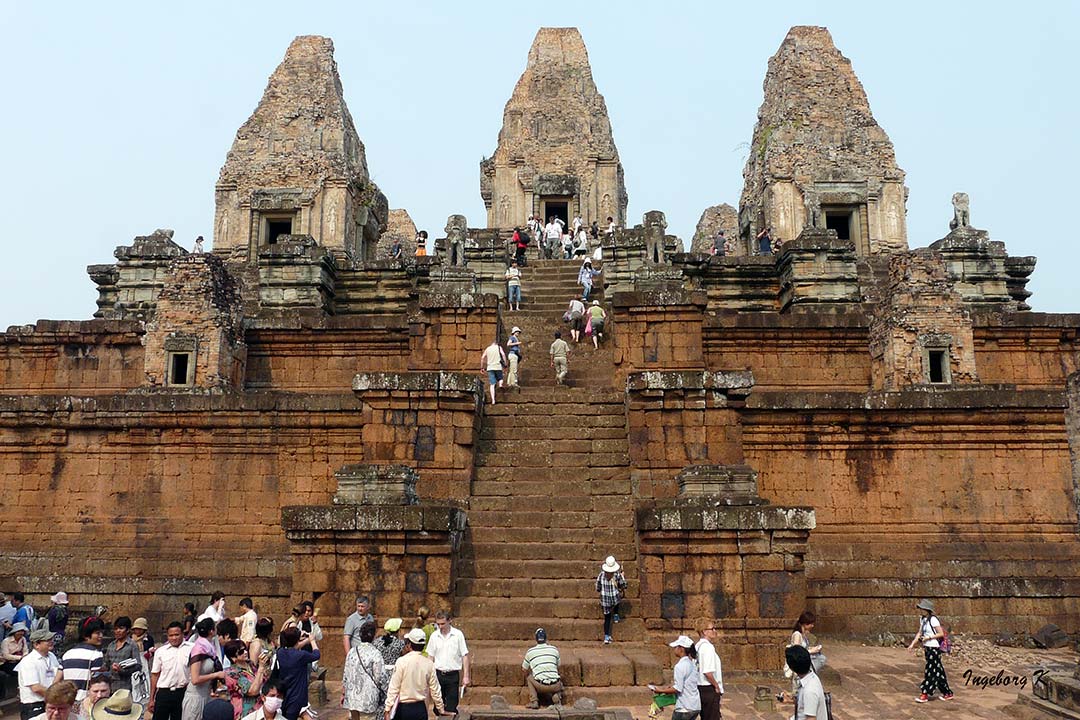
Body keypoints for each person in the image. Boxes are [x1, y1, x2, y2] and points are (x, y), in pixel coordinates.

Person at [383, 628, 445, 720]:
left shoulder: (401, 661)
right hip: (420, 708)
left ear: (409, 644)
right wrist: (440, 708)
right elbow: (435, 689)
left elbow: (394, 687)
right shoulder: (429, 664)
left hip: (403, 709)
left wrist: (388, 708)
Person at [907, 599, 953, 703]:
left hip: (934, 648)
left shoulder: (933, 620)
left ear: (927, 609)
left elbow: (940, 633)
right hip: (927, 648)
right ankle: (947, 693)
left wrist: (929, 638)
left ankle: (925, 693)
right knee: (938, 671)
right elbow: (919, 633)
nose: (921, 610)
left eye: (922, 608)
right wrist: (912, 644)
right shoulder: (922, 619)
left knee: (931, 671)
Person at [426, 611, 469, 716]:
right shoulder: (434, 636)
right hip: (438, 674)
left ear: (449, 621)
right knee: (438, 707)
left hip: (452, 675)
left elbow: (465, 655)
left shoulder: (458, 635)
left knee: (451, 706)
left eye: (443, 624)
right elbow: (430, 657)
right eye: (438, 624)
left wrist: (466, 676)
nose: (440, 627)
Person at [647, 636, 699, 720]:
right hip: (695, 706)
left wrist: (660, 690)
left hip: (684, 707)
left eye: (676, 647)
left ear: (681, 649)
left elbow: (678, 688)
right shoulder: (692, 664)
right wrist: (670, 688)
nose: (674, 649)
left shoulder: (680, 666)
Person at [16, 628, 63, 720]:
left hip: (50, 702)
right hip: (34, 705)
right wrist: (54, 697)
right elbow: (36, 688)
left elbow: (57, 675)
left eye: (51, 639)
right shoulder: (28, 661)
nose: (51, 642)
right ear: (36, 644)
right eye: (47, 640)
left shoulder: (52, 656)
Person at [148, 622, 191, 720]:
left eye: (177, 634)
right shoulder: (161, 651)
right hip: (164, 693)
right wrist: (151, 699)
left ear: (183, 634)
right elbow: (155, 675)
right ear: (167, 636)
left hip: (183, 693)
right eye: (171, 635)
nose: (174, 638)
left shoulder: (191, 648)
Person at [183, 618, 223, 720]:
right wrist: (216, 675)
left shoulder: (209, 647)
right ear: (211, 631)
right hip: (195, 698)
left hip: (205, 695)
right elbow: (195, 679)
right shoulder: (199, 648)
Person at [342, 621, 383, 720]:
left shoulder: (352, 652)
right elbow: (379, 677)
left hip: (352, 697)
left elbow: (346, 674)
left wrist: (343, 692)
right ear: (374, 636)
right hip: (368, 697)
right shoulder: (375, 653)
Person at [275, 627, 318, 720]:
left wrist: (304, 640)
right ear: (297, 640)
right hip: (297, 694)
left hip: (285, 692)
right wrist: (312, 640)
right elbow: (316, 654)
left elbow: (292, 648)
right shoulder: (301, 655)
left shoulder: (280, 652)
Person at [61, 618, 105, 703]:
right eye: (97, 633)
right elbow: (97, 681)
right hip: (86, 702)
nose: (101, 636)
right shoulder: (96, 654)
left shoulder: (67, 654)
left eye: (101, 633)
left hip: (69, 701)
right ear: (86, 636)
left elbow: (57, 679)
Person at [778, 645, 828, 720]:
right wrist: (791, 700)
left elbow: (811, 718)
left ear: (792, 668)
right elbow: (806, 704)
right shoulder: (811, 677)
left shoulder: (809, 691)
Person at [223, 640, 266, 720]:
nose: (246, 652)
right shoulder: (231, 673)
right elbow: (252, 691)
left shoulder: (250, 664)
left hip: (260, 708)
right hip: (246, 712)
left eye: (245, 649)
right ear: (233, 657)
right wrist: (261, 668)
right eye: (241, 652)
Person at [521, 628, 561, 709]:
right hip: (555, 685)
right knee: (558, 677)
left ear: (536, 639)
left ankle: (534, 701)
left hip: (540, 686)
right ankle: (556, 697)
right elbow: (558, 666)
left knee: (529, 678)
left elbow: (524, 669)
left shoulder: (530, 652)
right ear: (546, 638)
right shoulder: (554, 649)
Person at [103, 617, 141, 693]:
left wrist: (122, 670)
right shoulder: (111, 645)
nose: (118, 631)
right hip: (110, 686)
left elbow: (138, 666)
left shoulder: (132, 645)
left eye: (121, 628)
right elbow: (106, 664)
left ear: (128, 630)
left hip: (124, 685)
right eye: (116, 629)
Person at [595, 557, 627, 644]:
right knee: (617, 599)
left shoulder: (601, 575)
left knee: (607, 618)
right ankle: (616, 615)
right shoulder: (617, 575)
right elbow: (623, 585)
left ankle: (606, 636)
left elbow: (597, 587)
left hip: (605, 600)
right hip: (614, 599)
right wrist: (623, 576)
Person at [694, 620, 722, 720]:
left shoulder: (697, 646)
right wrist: (716, 686)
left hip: (700, 688)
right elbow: (707, 672)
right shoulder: (708, 648)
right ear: (704, 631)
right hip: (709, 688)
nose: (715, 631)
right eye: (712, 629)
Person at [788, 611, 825, 679]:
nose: (812, 626)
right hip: (799, 669)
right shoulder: (797, 635)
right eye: (811, 624)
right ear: (805, 624)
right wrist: (811, 651)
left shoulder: (803, 635)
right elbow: (797, 653)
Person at [376, 619, 405, 684]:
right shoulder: (400, 643)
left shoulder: (377, 642)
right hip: (395, 674)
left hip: (380, 673)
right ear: (398, 630)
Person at [480, 339, 507, 405]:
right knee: (500, 379)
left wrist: (482, 367)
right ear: (496, 343)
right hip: (498, 367)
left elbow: (482, 358)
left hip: (490, 368)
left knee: (492, 384)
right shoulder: (498, 347)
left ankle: (493, 400)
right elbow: (503, 354)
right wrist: (505, 363)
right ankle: (500, 384)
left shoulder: (488, 349)